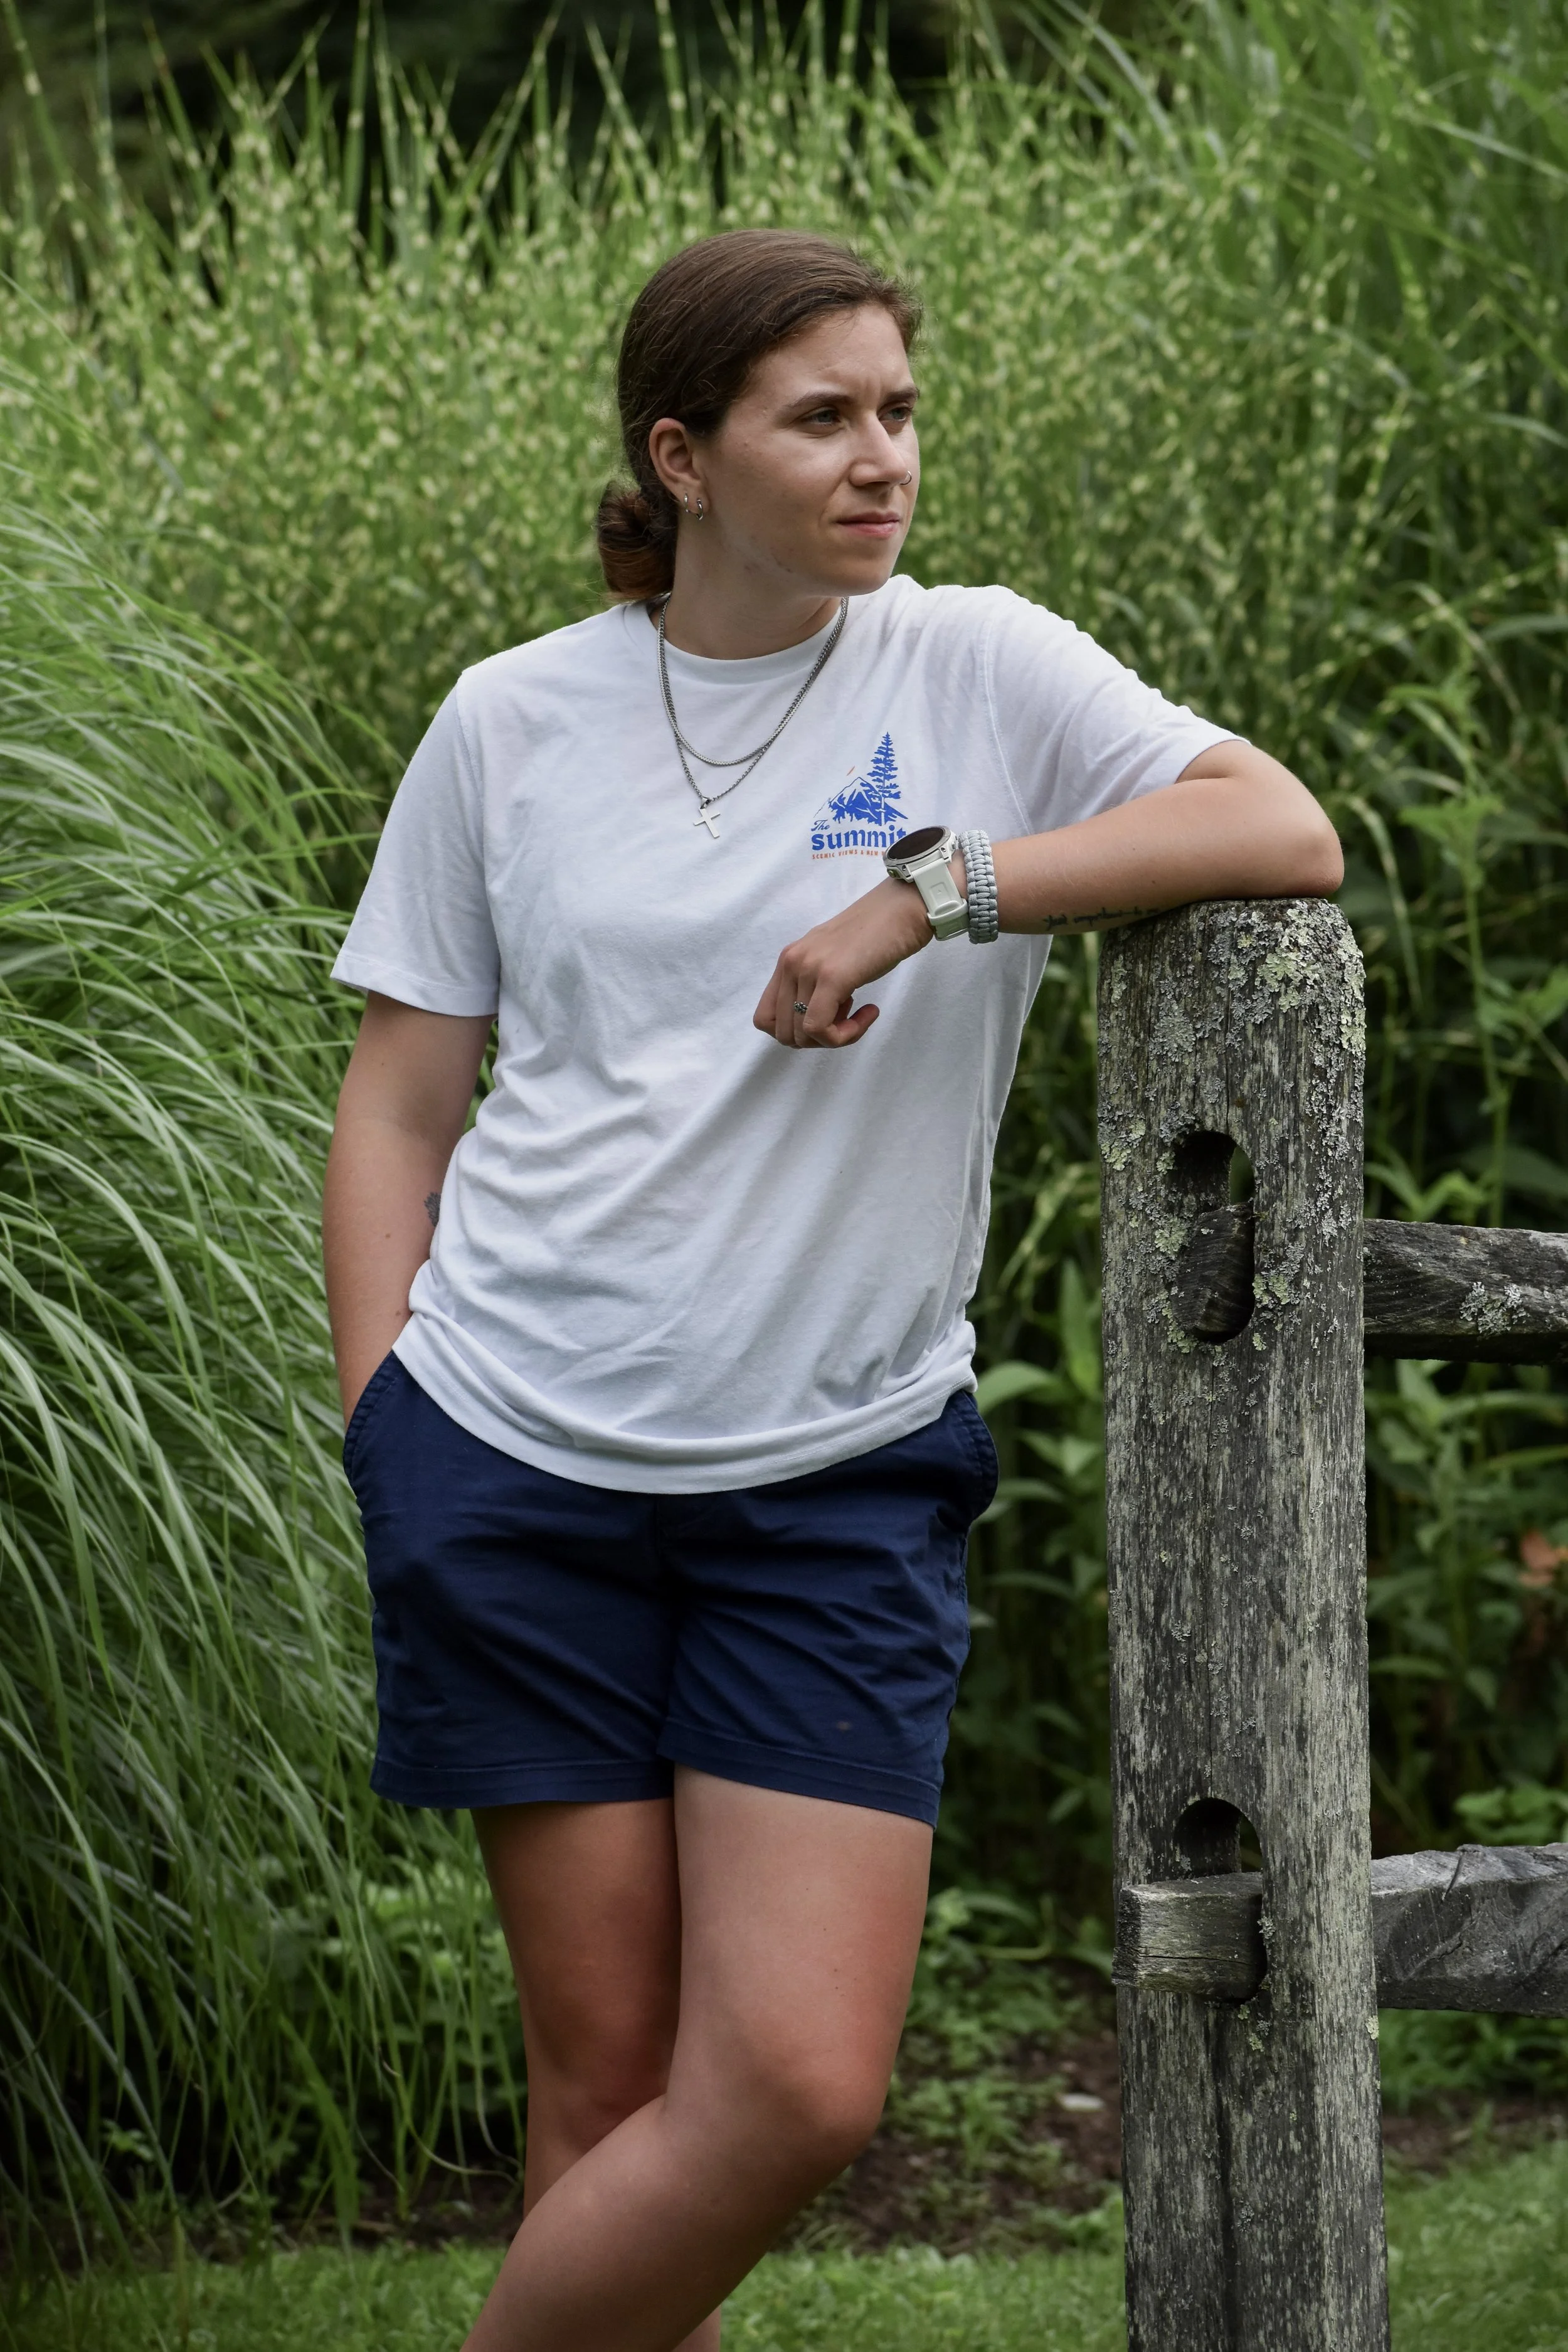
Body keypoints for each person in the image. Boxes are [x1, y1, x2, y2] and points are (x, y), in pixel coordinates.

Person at [323, 227, 1342, 2352]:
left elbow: (1275, 823)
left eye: (896, 411)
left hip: (832, 1477)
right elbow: (402, 1102)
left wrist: (938, 888)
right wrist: (383, 1420)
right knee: (604, 2096)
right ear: (681, 456)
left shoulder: (971, 666)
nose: (880, 458)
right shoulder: (511, 721)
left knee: (789, 2084)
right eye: (822, 418)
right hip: (511, 1455)